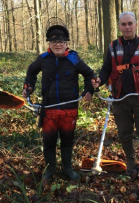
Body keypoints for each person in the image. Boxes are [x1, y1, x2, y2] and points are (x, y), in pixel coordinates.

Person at [23, 22, 95, 182]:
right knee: (48, 140)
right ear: (49, 43)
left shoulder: (74, 58)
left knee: (67, 139)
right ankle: (50, 171)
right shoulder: (43, 59)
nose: (58, 45)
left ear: (66, 43)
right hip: (48, 109)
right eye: (54, 42)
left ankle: (68, 169)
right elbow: (31, 72)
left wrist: (89, 90)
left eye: (61, 42)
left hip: (69, 109)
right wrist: (28, 88)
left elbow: (90, 74)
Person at [92, 11, 139, 180]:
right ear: (120, 26)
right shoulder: (113, 46)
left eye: (130, 23)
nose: (127, 27)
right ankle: (131, 162)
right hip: (119, 97)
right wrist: (99, 81)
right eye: (124, 24)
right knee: (124, 132)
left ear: (136, 25)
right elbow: (106, 68)